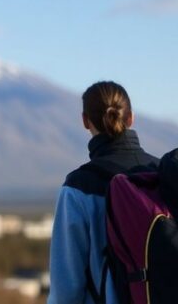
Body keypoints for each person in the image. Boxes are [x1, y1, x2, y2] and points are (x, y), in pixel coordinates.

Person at [47, 81, 159, 304]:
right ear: (131, 118)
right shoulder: (164, 174)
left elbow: (66, 288)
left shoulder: (79, 186)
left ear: (85, 121)